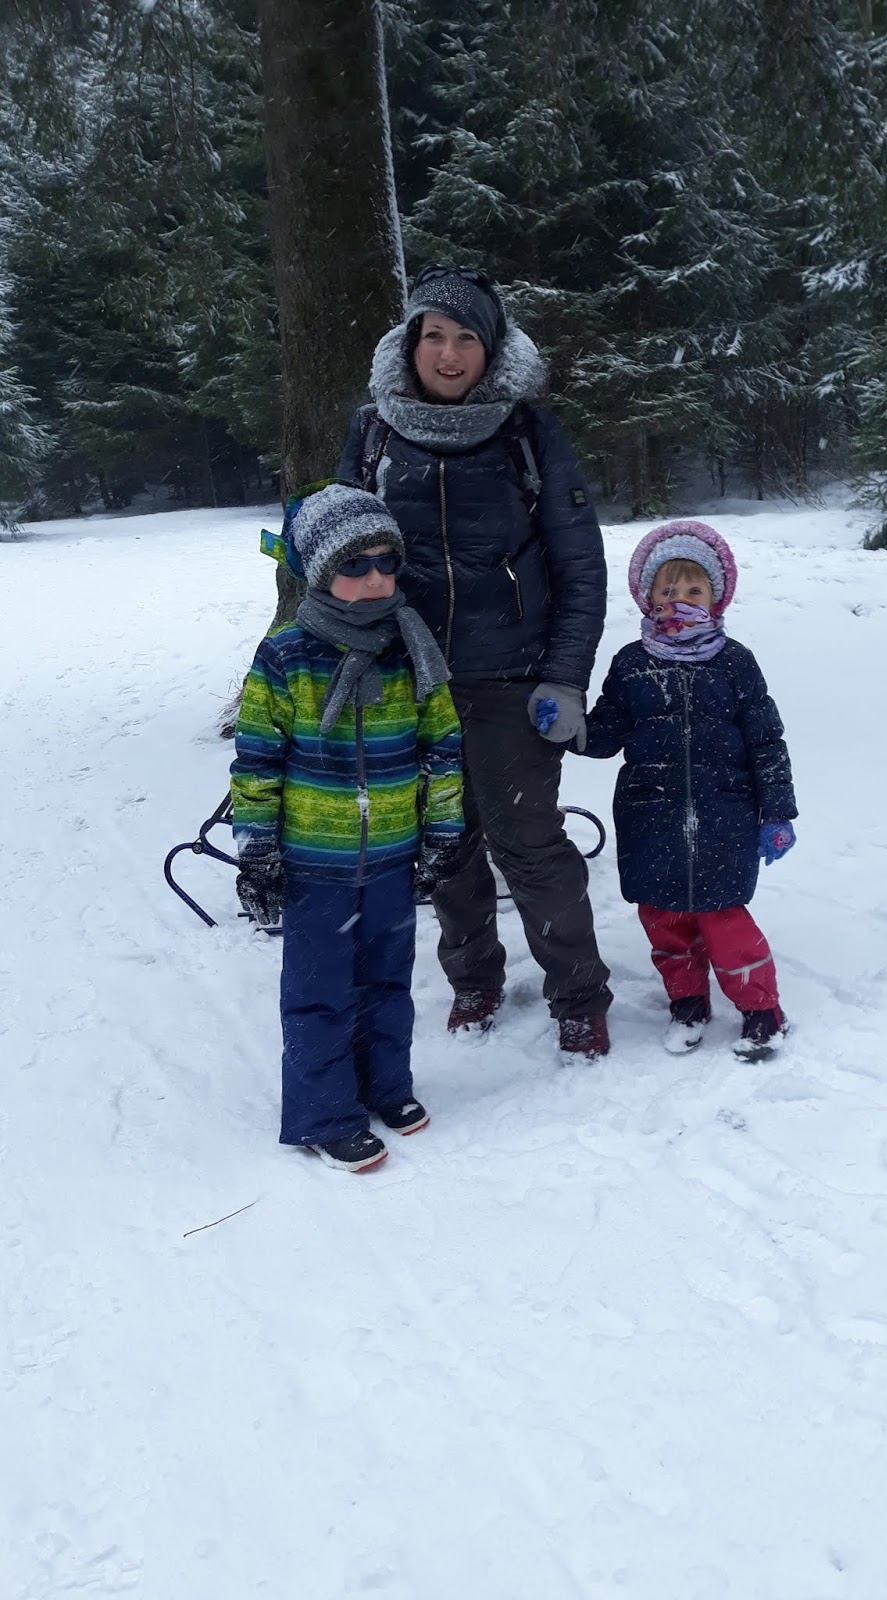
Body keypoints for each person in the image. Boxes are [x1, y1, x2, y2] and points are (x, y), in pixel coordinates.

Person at [338, 265, 612, 1060]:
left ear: (491, 351)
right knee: (446, 846)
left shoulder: (527, 433)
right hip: (411, 681)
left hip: (512, 678)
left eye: (467, 338)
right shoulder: (374, 432)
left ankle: (578, 995)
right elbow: (337, 553)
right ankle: (472, 978)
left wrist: (566, 676)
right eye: (435, 336)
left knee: (530, 845)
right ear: (411, 343)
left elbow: (579, 567)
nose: (449, 354)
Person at [230, 484, 464, 1171]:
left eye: (387, 562)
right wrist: (258, 850)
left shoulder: (411, 649)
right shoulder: (287, 656)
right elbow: (257, 759)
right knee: (320, 993)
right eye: (355, 565)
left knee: (388, 983)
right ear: (319, 570)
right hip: (315, 864)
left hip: (392, 857)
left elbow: (443, 746)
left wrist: (443, 832)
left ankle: (385, 1086)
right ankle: (324, 1113)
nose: (376, 579)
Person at [572, 520, 797, 1062]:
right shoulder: (632, 663)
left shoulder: (735, 661)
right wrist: (567, 726)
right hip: (651, 812)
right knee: (664, 918)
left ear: (716, 597)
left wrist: (777, 812)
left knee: (724, 919)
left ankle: (762, 1009)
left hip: (726, 812)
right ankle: (687, 1002)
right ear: (647, 596)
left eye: (694, 589)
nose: (680, 600)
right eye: (668, 589)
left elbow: (766, 740)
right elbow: (605, 735)